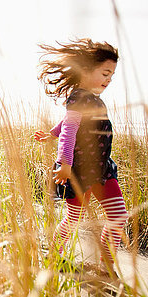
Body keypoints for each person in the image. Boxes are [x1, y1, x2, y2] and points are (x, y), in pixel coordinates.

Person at [33, 38, 128, 276]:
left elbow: (66, 123)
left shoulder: (92, 98)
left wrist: (50, 134)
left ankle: (106, 266)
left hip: (103, 168)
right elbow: (70, 129)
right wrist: (64, 164)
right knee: (73, 219)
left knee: (118, 216)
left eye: (112, 76)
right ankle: (54, 256)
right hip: (78, 170)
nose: (108, 80)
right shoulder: (79, 97)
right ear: (85, 70)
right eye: (105, 73)